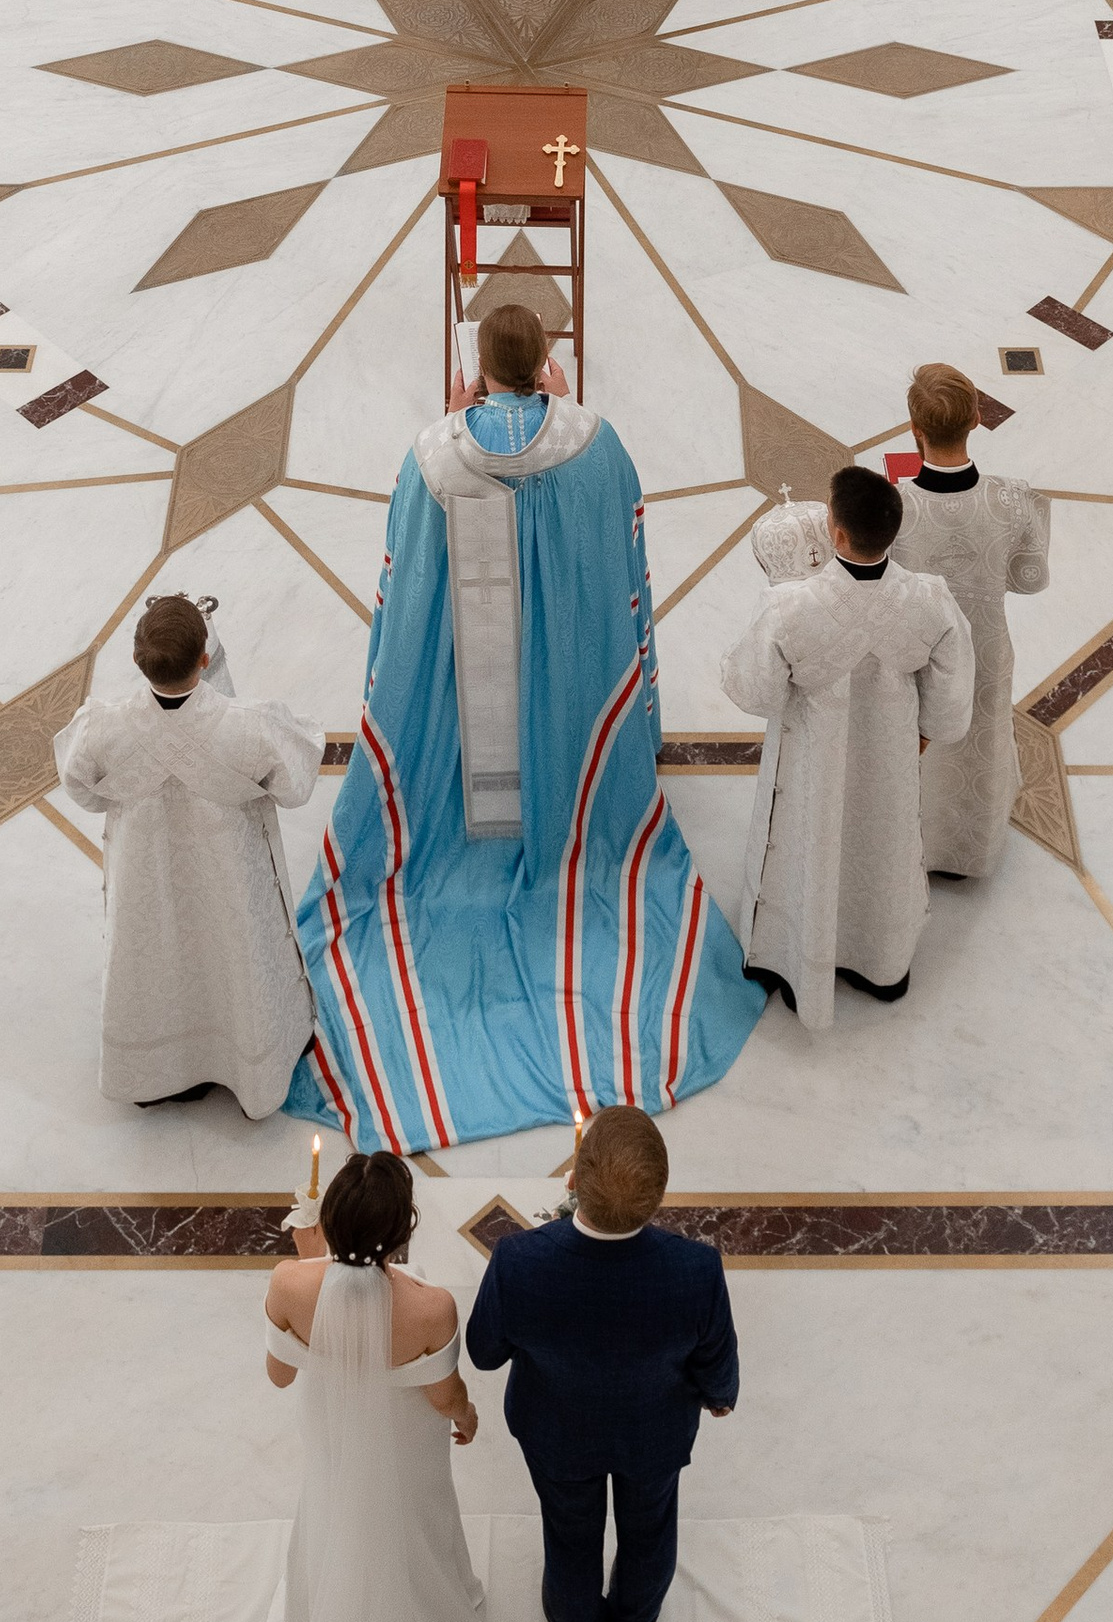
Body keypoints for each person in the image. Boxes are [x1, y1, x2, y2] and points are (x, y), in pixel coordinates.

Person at [283, 304, 765, 1151]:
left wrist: (455, 421)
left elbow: (410, 582)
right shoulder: (595, 443)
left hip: (458, 697)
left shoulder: (435, 455)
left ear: (477, 371)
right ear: (546, 365)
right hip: (567, 677)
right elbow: (620, 556)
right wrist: (569, 413)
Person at [260, 1149, 535, 1622]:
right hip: (406, 1444)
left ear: (329, 1219)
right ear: (404, 1229)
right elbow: (443, 1396)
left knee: (334, 1507)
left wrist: (307, 1261)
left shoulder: (290, 1282)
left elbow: (280, 1378)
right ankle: (426, 1608)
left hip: (333, 1434)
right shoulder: (431, 1306)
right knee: (417, 1519)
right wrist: (468, 1418)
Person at [464, 1101, 736, 1622]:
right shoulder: (697, 1270)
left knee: (569, 1536)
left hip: (557, 1434)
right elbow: (716, 1361)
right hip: (654, 1438)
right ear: (658, 1193)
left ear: (575, 1179)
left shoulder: (519, 1262)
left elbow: (484, 1353)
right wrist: (719, 1394)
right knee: (650, 1533)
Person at [721, 462, 974, 1023]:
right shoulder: (930, 598)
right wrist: (927, 732)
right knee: (881, 844)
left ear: (835, 533)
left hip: (811, 757)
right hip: (888, 752)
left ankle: (796, 961)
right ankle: (880, 963)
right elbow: (953, 699)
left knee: (806, 840)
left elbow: (752, 689)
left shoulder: (789, 607)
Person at [54, 594, 320, 1115]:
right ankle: (251, 1069)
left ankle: (161, 1074)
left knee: (154, 956)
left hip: (143, 871)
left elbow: (83, 792)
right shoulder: (252, 724)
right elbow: (296, 784)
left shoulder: (100, 728)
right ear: (206, 659)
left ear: (137, 661)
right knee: (237, 952)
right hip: (233, 876)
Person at [892, 360, 1053, 879]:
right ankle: (970, 852)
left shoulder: (895, 504)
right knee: (979, 742)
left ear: (914, 431)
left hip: (919, 653)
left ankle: (912, 844)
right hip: (985, 647)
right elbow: (1029, 579)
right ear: (978, 418)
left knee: (921, 744)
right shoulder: (1013, 497)